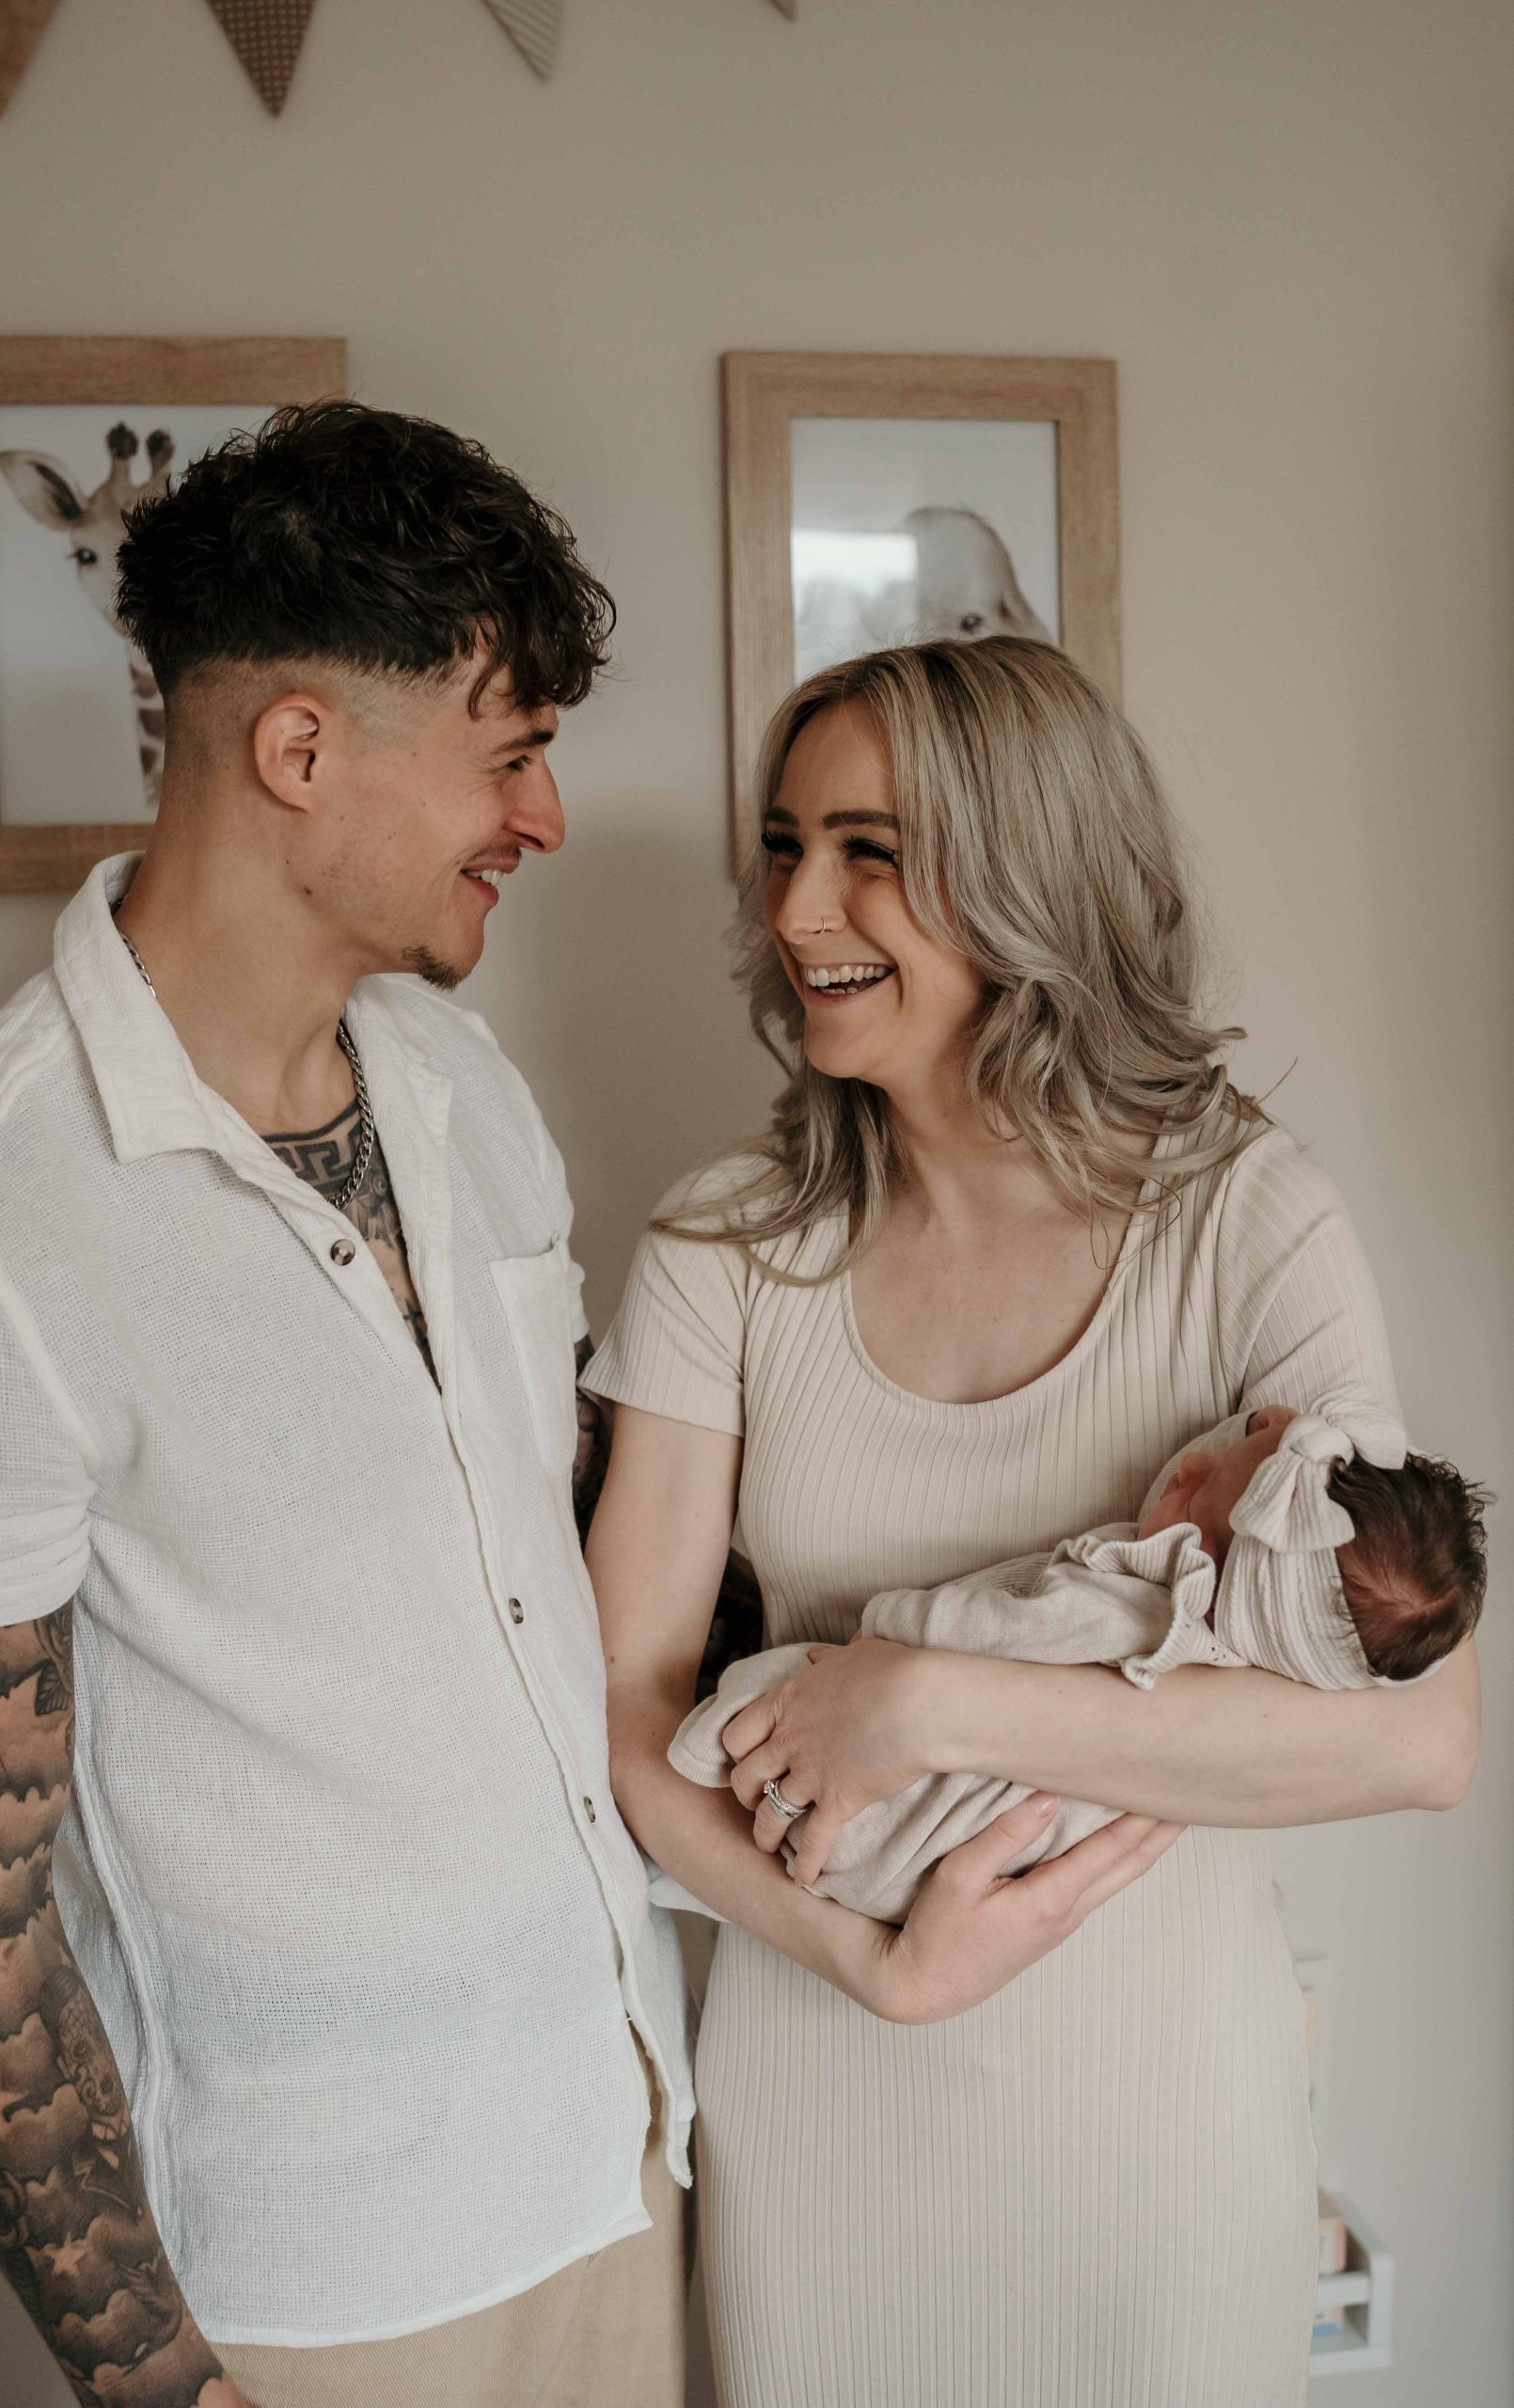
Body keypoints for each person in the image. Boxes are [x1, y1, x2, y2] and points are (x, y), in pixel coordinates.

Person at [582, 637, 1479, 2408]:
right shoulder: (719, 1246)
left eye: (869, 851)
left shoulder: (1248, 1222)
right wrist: (874, 1968)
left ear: (1030, 881)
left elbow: (1415, 1737)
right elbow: (620, 1712)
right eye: (785, 846)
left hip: (1157, 2137)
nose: (795, 911)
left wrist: (927, 1700)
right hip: (819, 2100)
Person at [0, 399, 698, 2408]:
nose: (543, 816)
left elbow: (530, 1542)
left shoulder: (463, 1084)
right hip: (313, 2285)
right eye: (508, 753)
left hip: (616, 2155)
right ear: (298, 751)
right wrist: (163, 2389)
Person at [670, 1400, 1490, 1921]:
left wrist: (885, 1635)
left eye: (1196, 1490)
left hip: (886, 1829)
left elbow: (979, 1629)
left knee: (766, 1689)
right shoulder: (1241, 1677)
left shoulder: (1110, 1609)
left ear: (1198, 1567)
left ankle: (695, 1761)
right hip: (947, 1875)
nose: (1189, 1465)